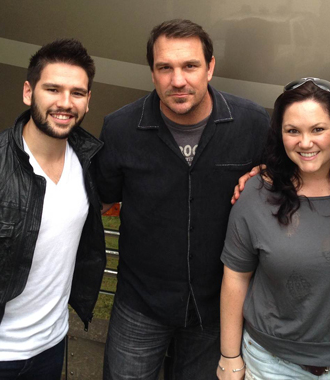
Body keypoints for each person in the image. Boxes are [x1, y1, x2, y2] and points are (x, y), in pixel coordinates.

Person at [94, 19, 270, 380]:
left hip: (215, 306)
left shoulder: (251, 123)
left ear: (210, 67)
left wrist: (266, 174)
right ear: (152, 72)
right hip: (140, 304)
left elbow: (285, 181)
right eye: (165, 68)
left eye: (190, 65)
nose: (178, 80)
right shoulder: (120, 129)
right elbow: (105, 196)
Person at [0, 39, 106, 380]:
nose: (65, 103)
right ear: (28, 92)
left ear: (88, 101)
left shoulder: (90, 162)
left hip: (51, 347)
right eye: (53, 89)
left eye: (77, 92)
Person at [218, 78, 330, 379]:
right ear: (280, 134)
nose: (305, 142)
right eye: (292, 131)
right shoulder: (257, 195)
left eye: (317, 129)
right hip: (272, 367)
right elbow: (236, 276)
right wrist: (229, 357)